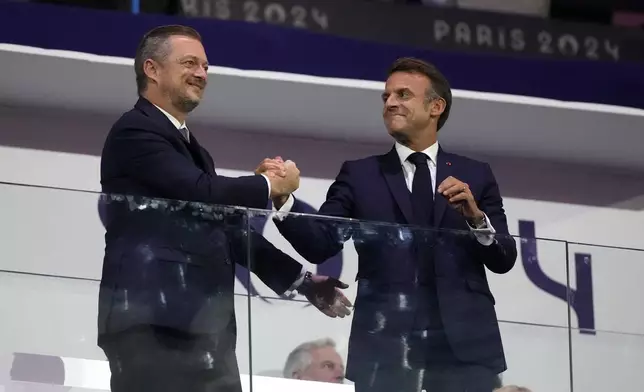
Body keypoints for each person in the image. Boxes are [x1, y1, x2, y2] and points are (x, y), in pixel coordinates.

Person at [97, 25, 350, 392]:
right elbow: (200, 192)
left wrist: (303, 281)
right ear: (151, 69)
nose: (201, 74)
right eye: (189, 63)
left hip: (206, 332)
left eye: (205, 66)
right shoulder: (134, 130)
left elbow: (227, 229)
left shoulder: (196, 151)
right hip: (151, 324)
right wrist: (269, 185)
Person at [272, 57, 517, 392]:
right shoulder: (360, 175)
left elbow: (504, 258)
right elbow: (322, 242)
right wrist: (284, 201)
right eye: (386, 96)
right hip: (385, 347)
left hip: (464, 349)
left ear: (436, 107)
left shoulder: (475, 174)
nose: (390, 103)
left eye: (403, 95)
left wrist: (476, 219)